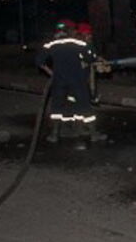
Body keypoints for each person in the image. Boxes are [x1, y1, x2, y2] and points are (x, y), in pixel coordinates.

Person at [35, 19, 106, 149]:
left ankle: (54, 135)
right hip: (77, 81)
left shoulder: (51, 44)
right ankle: (93, 134)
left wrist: (51, 73)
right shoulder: (79, 43)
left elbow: (39, 61)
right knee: (85, 107)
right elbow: (90, 58)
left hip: (59, 81)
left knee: (57, 108)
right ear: (71, 31)